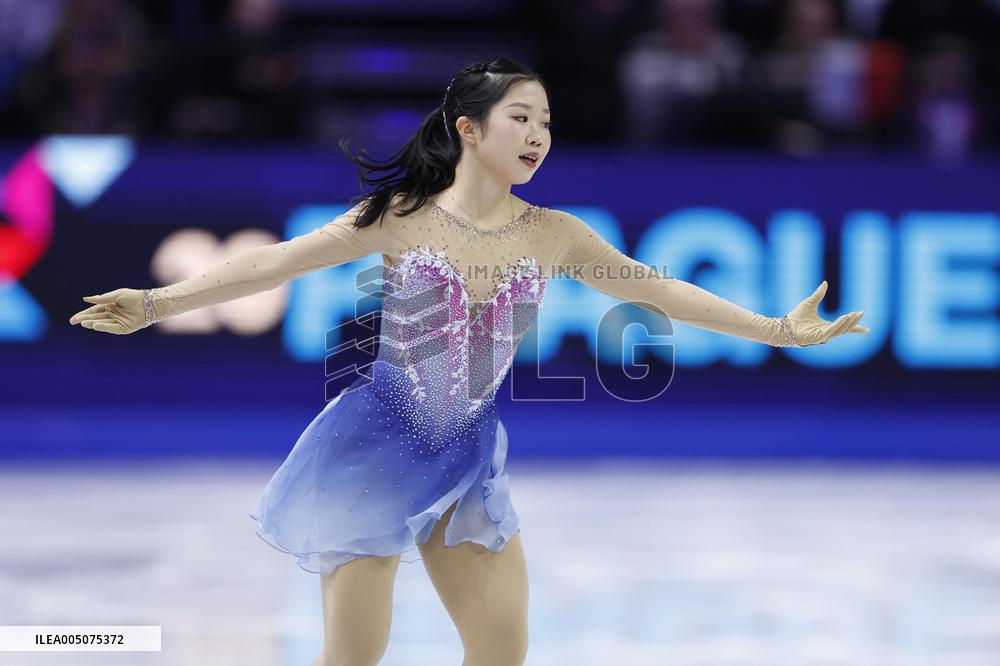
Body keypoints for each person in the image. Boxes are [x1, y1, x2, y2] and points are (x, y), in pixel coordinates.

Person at [69, 57, 868, 666]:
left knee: (501, 651)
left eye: (546, 122)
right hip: (370, 455)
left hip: (466, 462)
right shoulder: (400, 216)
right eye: (521, 118)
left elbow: (659, 291)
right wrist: (156, 302)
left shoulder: (555, 234)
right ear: (469, 130)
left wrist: (778, 330)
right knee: (354, 658)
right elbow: (275, 263)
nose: (538, 135)